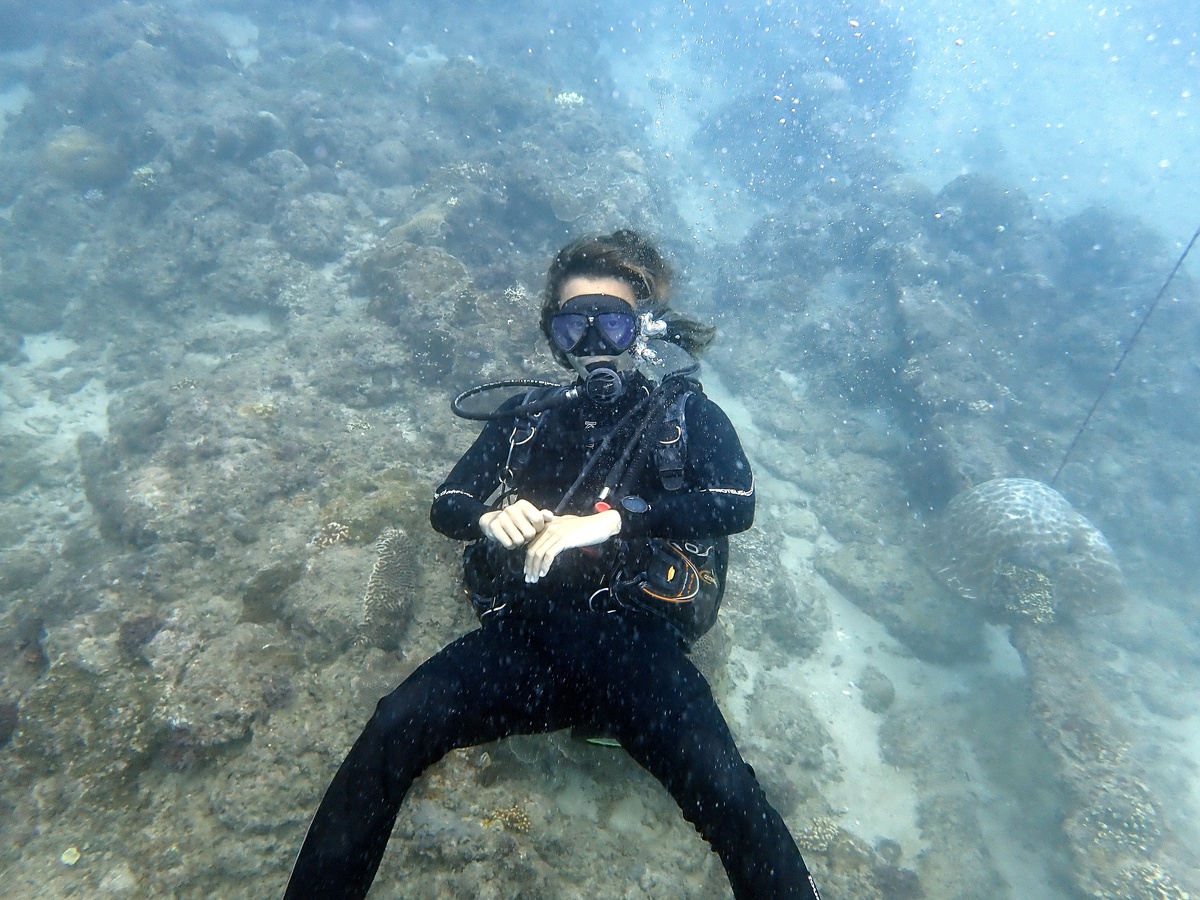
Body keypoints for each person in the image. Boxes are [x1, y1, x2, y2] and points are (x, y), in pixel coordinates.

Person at [284, 230, 821, 900]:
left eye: (615, 323)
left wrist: (616, 517)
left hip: (637, 647)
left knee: (731, 797)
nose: (595, 343)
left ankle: (613, 729)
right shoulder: (524, 417)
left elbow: (735, 503)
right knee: (393, 727)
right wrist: (486, 517)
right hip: (526, 640)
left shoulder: (682, 412)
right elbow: (448, 502)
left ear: (643, 332)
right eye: (575, 325)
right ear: (553, 336)